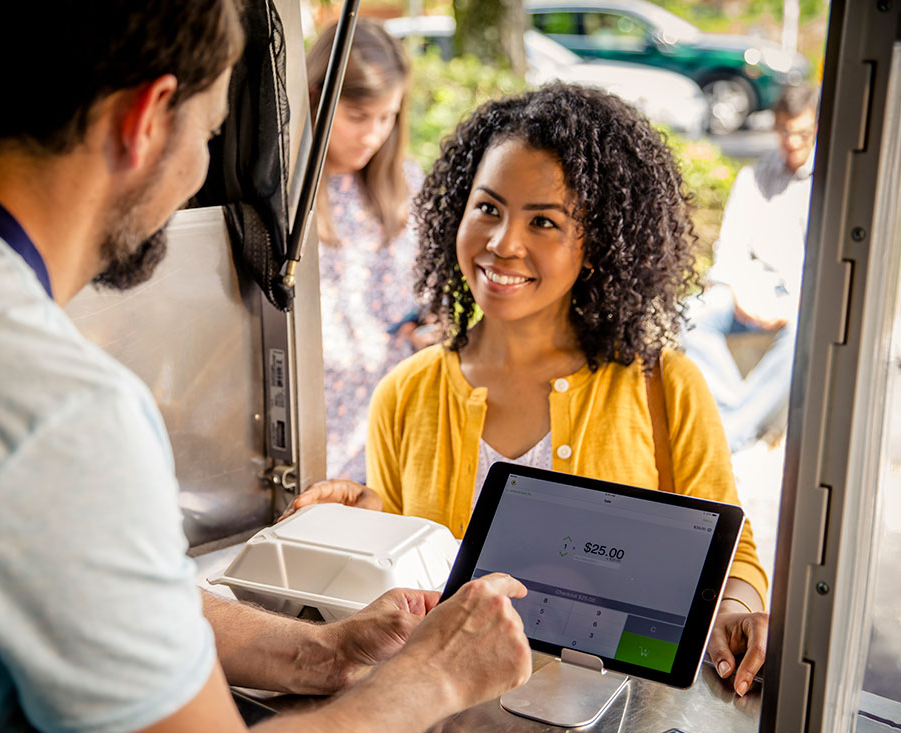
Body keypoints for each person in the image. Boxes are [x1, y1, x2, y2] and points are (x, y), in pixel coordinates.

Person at [0, 3, 535, 733]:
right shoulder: (58, 408)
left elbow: (81, 591)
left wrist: (319, 655)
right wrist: (431, 677)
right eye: (210, 136)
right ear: (145, 119)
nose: (195, 174)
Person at [287, 84, 771, 698]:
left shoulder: (664, 384)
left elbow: (733, 556)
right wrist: (361, 528)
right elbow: (408, 571)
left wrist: (734, 611)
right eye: (487, 208)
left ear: (596, 245)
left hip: (613, 723)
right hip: (448, 731)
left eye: (543, 220)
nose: (502, 243)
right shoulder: (405, 393)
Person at [308, 21, 432, 481]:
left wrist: (430, 323)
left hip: (384, 425)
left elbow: (430, 289)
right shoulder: (289, 195)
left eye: (388, 118)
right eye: (359, 117)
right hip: (316, 428)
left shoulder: (405, 184)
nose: (374, 134)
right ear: (317, 97)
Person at [682, 85, 819, 451]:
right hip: (747, 287)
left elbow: (824, 266)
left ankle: (729, 434)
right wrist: (740, 291)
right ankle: (736, 415)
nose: (792, 142)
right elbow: (732, 245)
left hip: (797, 296)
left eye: (802, 133)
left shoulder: (827, 185)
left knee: (806, 334)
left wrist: (789, 307)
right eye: (785, 132)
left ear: (816, 129)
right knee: (687, 316)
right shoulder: (753, 177)